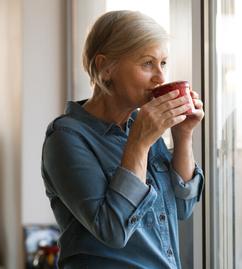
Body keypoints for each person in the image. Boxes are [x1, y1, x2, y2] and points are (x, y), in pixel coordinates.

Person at [41, 10, 205, 269]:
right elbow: (113, 231)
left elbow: (183, 207)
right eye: (147, 63)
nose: (161, 78)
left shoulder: (140, 125)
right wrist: (139, 144)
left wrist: (183, 135)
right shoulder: (65, 138)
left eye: (163, 63)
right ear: (105, 68)